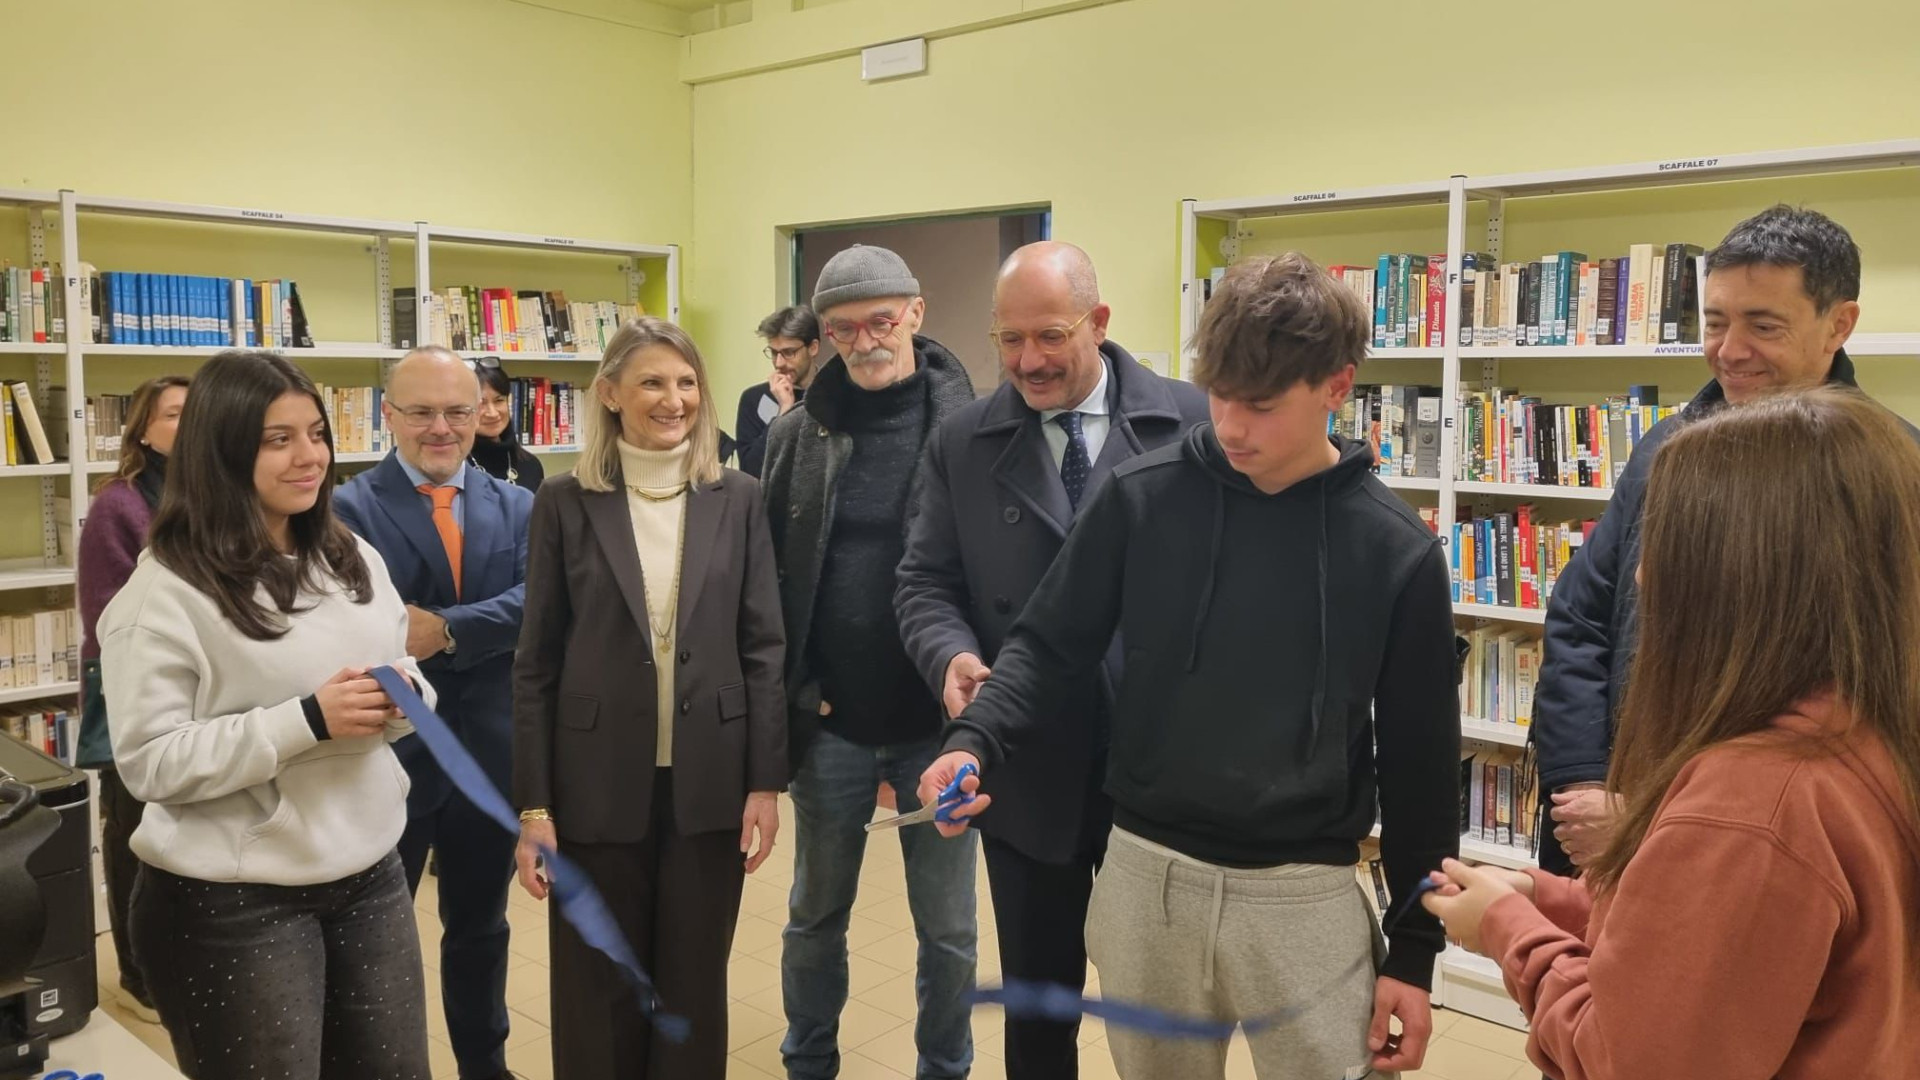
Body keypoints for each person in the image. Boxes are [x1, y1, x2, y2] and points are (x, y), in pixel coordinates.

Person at [922, 252, 1458, 1080]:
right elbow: (1048, 644)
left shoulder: (1397, 554)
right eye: (1220, 396)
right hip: (1149, 879)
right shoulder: (1142, 496)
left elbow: (1424, 772)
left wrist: (1415, 953)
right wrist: (972, 741)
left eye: (1262, 405)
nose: (1232, 427)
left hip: (1304, 894)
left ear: (1337, 387)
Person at [1424, 385, 1920, 1078]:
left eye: (1668, 543)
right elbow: (1722, 948)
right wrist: (1559, 899)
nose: (1642, 573)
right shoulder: (1866, 731)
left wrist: (1507, 931)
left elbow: (1627, 1057)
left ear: (1741, 573)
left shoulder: (1751, 803)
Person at [894, 241, 1207, 1077]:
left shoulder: (1194, 422)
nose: (1027, 361)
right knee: (1040, 1011)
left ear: (1099, 325)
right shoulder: (962, 441)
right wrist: (951, 654)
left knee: (1165, 1013)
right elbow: (923, 582)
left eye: (1050, 336)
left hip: (1162, 774)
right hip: (1027, 768)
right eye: (1008, 340)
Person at [1531, 205, 1899, 875]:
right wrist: (1584, 783)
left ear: (1838, 324)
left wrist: (1670, 814)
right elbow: (1580, 618)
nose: (1730, 351)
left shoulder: (1889, 473)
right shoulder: (1665, 450)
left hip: (1771, 847)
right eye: (1715, 322)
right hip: (1611, 819)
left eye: (1763, 326)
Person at [98, 350, 433, 1080]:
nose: (309, 456)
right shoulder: (164, 594)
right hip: (232, 902)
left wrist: (405, 699)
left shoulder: (351, 556)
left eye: (315, 433)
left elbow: (397, 669)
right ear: (220, 448)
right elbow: (148, 763)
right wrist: (305, 721)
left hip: (370, 871)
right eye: (277, 439)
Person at [512, 317, 786, 1079]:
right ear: (609, 394)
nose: (675, 400)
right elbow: (535, 661)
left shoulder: (739, 497)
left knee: (693, 982)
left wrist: (766, 782)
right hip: (592, 781)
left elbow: (764, 645)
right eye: (653, 383)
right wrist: (533, 806)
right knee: (596, 979)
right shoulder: (565, 502)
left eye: (687, 382)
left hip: (711, 780)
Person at [761, 245, 979, 1080]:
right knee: (815, 915)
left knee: (950, 928)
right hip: (832, 727)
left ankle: (945, 1068)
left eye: (881, 320)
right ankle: (807, 1063)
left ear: (916, 315)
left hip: (941, 726)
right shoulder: (796, 435)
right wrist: (797, 690)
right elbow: (771, 574)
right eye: (842, 327)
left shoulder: (973, 429)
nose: (864, 339)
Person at [334, 346, 535, 1080]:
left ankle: (487, 1066)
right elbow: (357, 623)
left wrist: (445, 629)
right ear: (388, 415)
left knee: (481, 930)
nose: (442, 428)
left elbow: (540, 605)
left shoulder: (517, 504)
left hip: (488, 754)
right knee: (377, 939)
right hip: (388, 759)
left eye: (458, 410)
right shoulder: (345, 509)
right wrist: (478, 628)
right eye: (421, 412)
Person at [74, 373, 188, 1023]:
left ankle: (178, 962)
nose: (186, 424)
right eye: (173, 414)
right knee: (135, 839)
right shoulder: (119, 505)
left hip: (203, 694)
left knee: (181, 838)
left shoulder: (216, 492)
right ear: (143, 429)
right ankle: (138, 977)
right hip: (134, 692)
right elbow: (104, 618)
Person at [735, 306, 822, 478]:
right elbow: (751, 471)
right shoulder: (754, 399)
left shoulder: (834, 394)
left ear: (813, 348)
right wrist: (783, 413)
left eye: (789, 353)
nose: (779, 363)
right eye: (774, 353)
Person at [468, 356, 546, 491]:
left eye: (499, 400)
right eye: (481, 403)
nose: (492, 413)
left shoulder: (530, 464)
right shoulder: (455, 467)